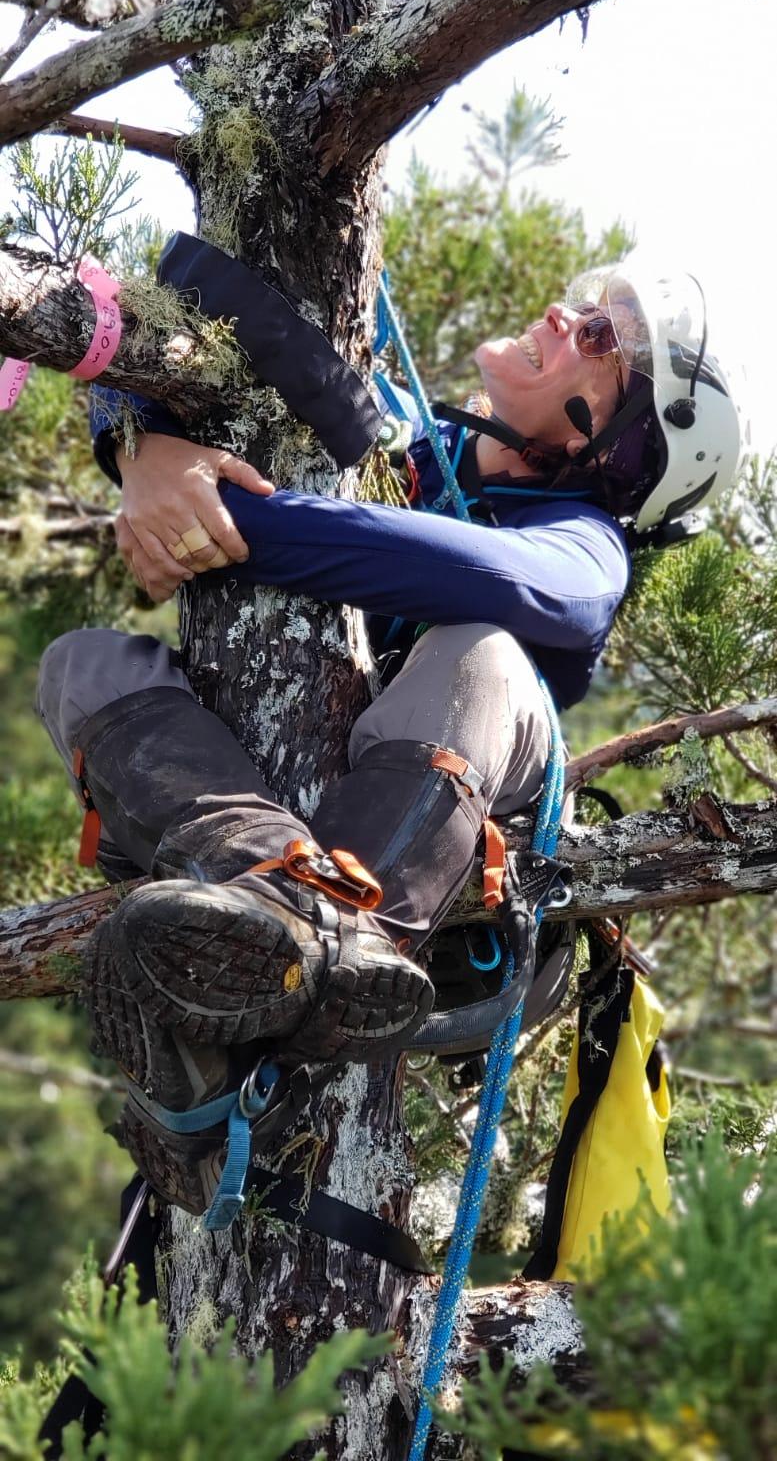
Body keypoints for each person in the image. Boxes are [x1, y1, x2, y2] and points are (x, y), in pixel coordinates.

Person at [36, 244, 744, 1214]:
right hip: (293, 845)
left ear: (613, 445)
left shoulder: (588, 549)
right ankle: (255, 948)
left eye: (598, 336)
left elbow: (487, 577)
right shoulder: (395, 442)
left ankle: (326, 937)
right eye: (584, 303)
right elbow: (193, 283)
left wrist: (223, 521)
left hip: (440, 887)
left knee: (479, 650)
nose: (559, 313)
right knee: (83, 666)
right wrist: (139, 450)